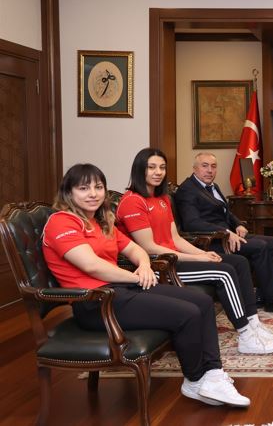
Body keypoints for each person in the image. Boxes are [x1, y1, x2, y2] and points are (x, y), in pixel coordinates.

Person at [42, 163, 250, 407]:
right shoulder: (62, 222)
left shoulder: (100, 222)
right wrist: (135, 277)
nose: (93, 194)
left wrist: (143, 266)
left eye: (98, 187)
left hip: (120, 289)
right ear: (68, 192)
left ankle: (213, 374)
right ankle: (195, 381)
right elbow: (91, 266)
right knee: (187, 314)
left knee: (202, 302)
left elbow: (136, 249)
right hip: (95, 302)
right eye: (83, 188)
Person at [116, 148, 273, 355]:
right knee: (224, 272)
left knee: (239, 262)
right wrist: (196, 257)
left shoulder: (162, 198)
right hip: (159, 265)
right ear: (139, 169)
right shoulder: (133, 201)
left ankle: (253, 323)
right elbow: (149, 247)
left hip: (175, 257)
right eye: (151, 167)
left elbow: (176, 239)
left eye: (162, 167)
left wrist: (202, 254)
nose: (158, 172)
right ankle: (246, 335)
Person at [174, 152, 273, 314]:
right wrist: (226, 232)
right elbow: (192, 223)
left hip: (230, 235)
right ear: (194, 168)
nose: (210, 170)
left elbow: (225, 212)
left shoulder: (213, 186)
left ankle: (262, 295)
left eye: (213, 166)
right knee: (260, 247)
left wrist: (238, 224)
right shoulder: (187, 189)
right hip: (213, 240)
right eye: (204, 166)